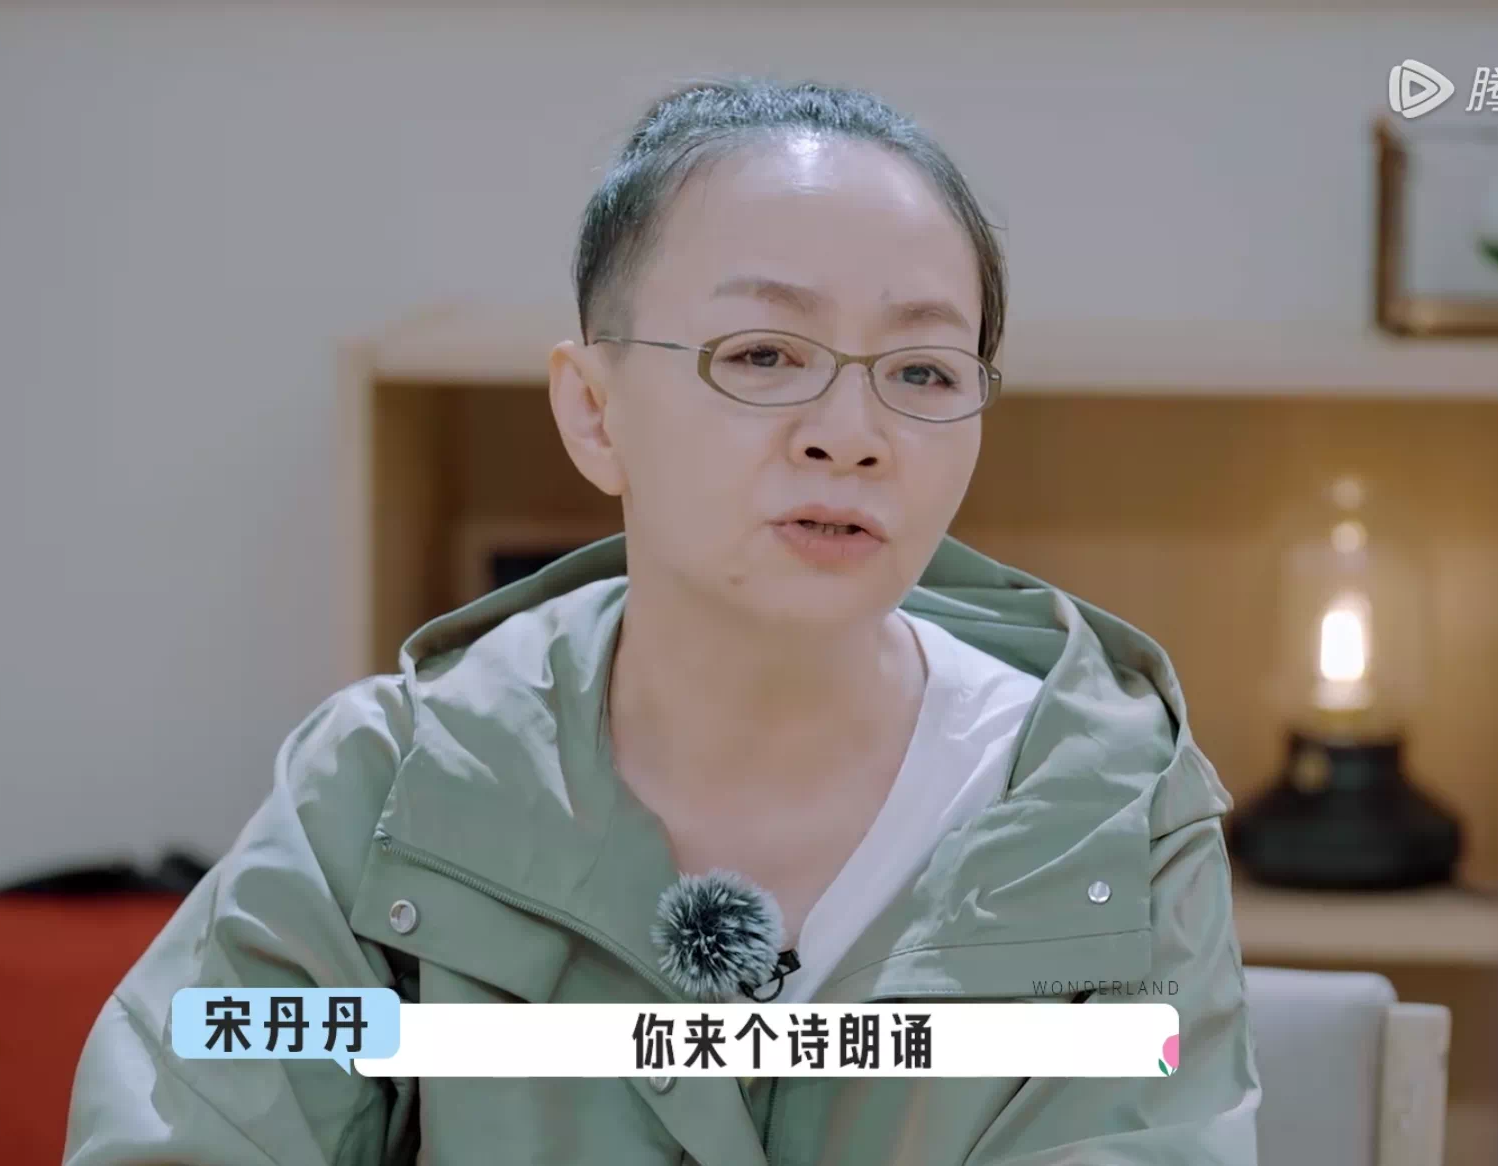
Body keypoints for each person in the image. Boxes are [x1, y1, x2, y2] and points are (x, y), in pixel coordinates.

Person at [64, 76, 1261, 1165]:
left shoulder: (1106, 809)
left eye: (924, 372)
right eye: (764, 353)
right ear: (594, 411)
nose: (851, 434)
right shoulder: (384, 787)